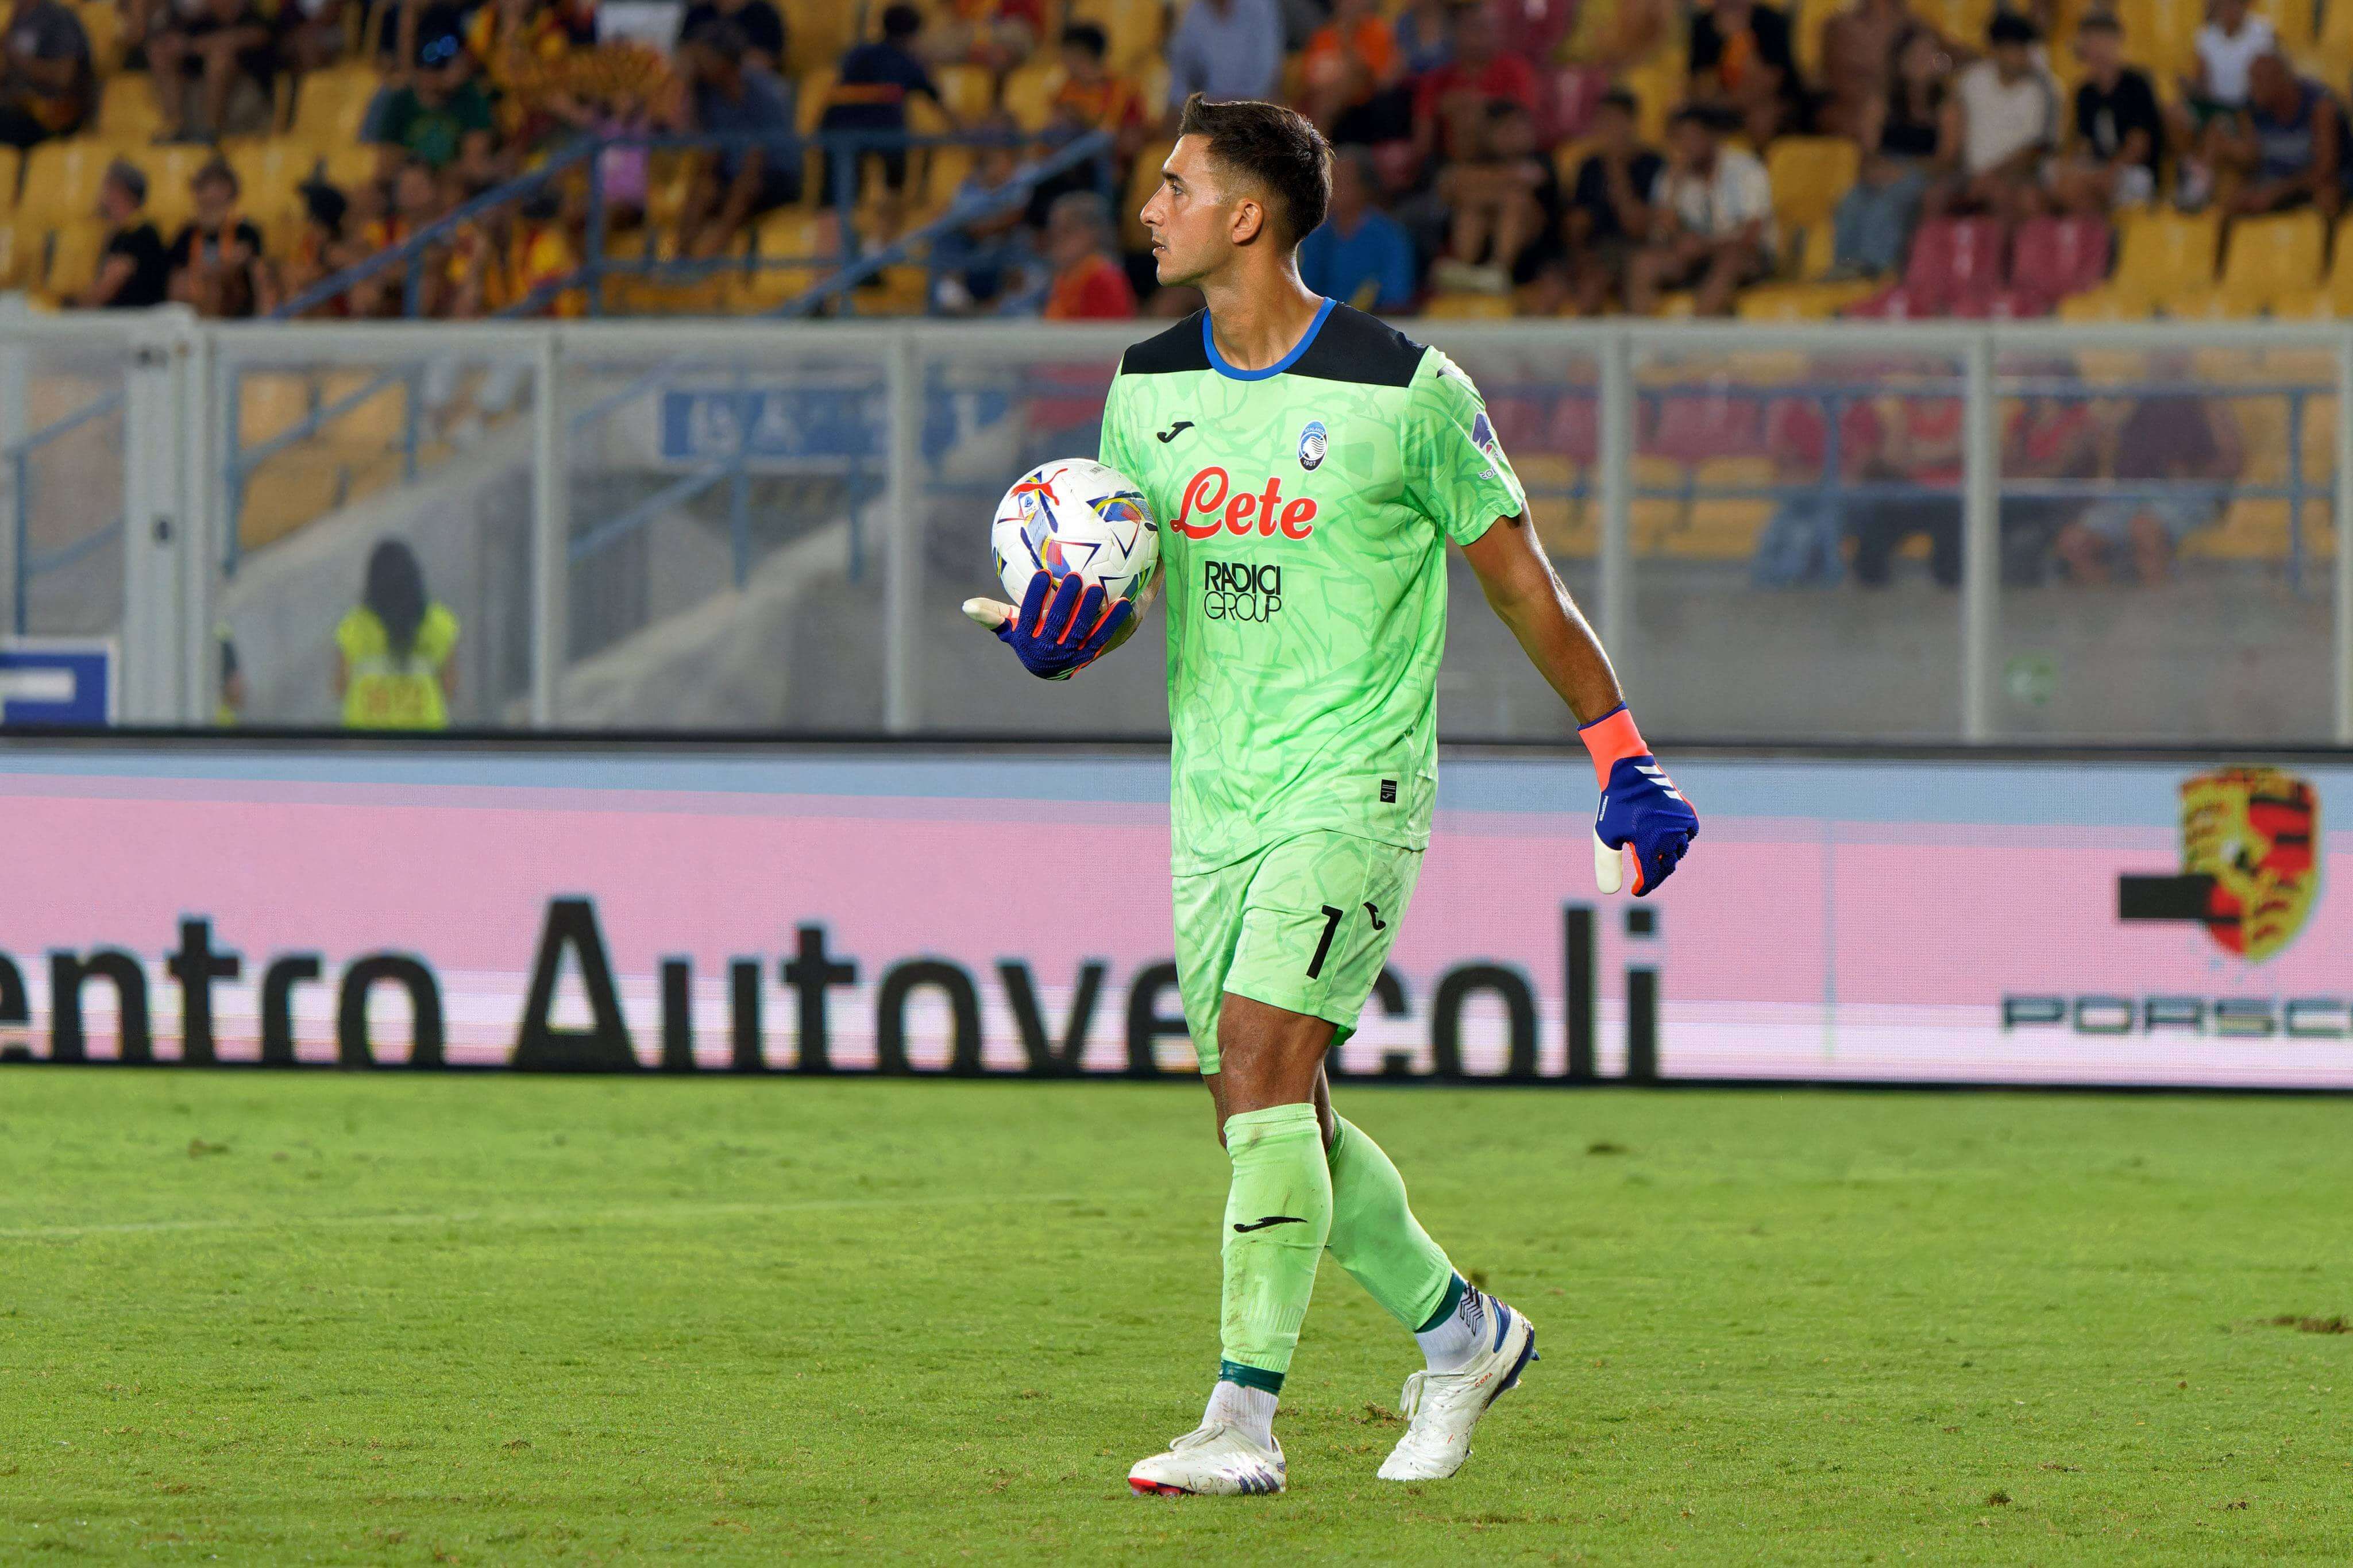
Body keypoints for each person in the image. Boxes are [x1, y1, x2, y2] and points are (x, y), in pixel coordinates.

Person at [962, 92, 1697, 1497]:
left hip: (1353, 784)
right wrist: (1071, 640)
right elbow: (1127, 578)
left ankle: (1241, 1420)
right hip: (1214, 799)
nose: (1150, 211)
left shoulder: (1406, 389)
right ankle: (1463, 1333)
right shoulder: (1145, 386)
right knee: (1266, 1110)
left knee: (1259, 1073)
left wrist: (1623, 757)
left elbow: (1522, 583)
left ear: (1247, 214)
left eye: (1175, 187)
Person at [2055, 361, 2243, 584]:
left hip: (2184, 493)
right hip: (2128, 494)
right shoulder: (2133, 396)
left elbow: (2232, 460)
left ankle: (2159, 610)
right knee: (2074, 543)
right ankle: (2109, 609)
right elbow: (2096, 437)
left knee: (2146, 530)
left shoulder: (2206, 398)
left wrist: (2193, 477)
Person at [1626, 104, 1775, 316]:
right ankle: (1640, 343)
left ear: (1711, 137)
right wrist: (1673, 191)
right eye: (1679, 139)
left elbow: (1752, 235)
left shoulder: (1745, 169)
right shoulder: (1671, 176)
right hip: (1695, 259)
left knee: (1729, 260)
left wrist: (1704, 246)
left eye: (1692, 138)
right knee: (1643, 263)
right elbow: (1658, 237)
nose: (1685, 146)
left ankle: (1695, 338)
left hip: (1747, 257)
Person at [819, 3, 950, 241]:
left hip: (837, 130)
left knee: (838, 199)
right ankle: (877, 247)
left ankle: (848, 256)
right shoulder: (907, 61)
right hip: (874, 137)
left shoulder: (858, 53)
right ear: (911, 36)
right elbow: (941, 105)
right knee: (891, 186)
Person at [1830, 28, 1954, 276]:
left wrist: (1909, 170)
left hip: (1924, 172)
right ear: (1901, 60)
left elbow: (1948, 158)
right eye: (1916, 54)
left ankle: (1875, 269)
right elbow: (1868, 150)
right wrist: (1877, 169)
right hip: (1885, 168)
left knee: (1889, 204)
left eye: (1928, 54)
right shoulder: (1882, 100)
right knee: (1852, 202)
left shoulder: (1947, 104)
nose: (1923, 60)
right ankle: (1844, 268)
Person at [680, 20, 799, 259]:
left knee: (747, 181)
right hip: (733, 174)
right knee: (703, 184)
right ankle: (681, 258)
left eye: (704, 55)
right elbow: (702, 146)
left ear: (724, 58)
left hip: (776, 178)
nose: (698, 62)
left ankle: (711, 255)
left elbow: (759, 157)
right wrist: (689, 86)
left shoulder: (762, 90)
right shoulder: (707, 93)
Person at [1930, 11, 2057, 222]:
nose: (2021, 56)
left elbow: (2036, 150)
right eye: (2015, 49)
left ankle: (2003, 255)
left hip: (2016, 177)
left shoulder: (2042, 91)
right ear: (1997, 50)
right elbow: (1953, 128)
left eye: (2024, 49)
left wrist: (1993, 177)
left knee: (2008, 198)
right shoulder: (1972, 82)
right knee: (1934, 196)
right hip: (1968, 174)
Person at [1430, 99, 1564, 300]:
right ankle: (1466, 268)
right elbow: (1450, 186)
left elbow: (1530, 178)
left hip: (1535, 250)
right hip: (1485, 242)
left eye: (1517, 128)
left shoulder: (1543, 159)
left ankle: (1500, 268)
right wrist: (1489, 188)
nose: (1511, 136)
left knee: (1514, 200)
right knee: (1472, 205)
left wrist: (1482, 184)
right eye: (1503, 130)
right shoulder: (1481, 159)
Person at [335, 539, 459, 730]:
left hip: (365, 746)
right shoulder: (439, 624)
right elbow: (449, 688)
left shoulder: (353, 626)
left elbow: (340, 688)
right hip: (425, 744)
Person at [2048, 12, 2159, 216]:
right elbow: (2086, 143)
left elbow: (2139, 145)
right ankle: (2095, 237)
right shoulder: (2085, 93)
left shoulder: (2136, 85)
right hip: (2099, 171)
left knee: (2097, 186)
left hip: (2132, 172)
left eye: (2102, 39)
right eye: (2091, 40)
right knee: (2060, 179)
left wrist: (2110, 170)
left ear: (2116, 42)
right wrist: (2075, 166)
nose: (2096, 48)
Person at [1565, 87, 1664, 314]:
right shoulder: (1590, 166)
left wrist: (1616, 169)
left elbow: (1638, 227)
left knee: (1626, 274)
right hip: (1598, 250)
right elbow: (1575, 227)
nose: (1606, 129)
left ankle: (1639, 347)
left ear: (1632, 123)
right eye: (1602, 121)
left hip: (1640, 248)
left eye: (1613, 121)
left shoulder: (1654, 165)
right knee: (1583, 283)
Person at [2218, 52, 2350, 219]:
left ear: (2280, 80)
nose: (2252, 88)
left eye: (2258, 81)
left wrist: (2278, 192)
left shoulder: (2321, 108)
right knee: (2233, 199)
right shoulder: (2251, 109)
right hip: (2274, 184)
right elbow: (2251, 160)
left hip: (2309, 185)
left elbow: (2324, 171)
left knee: (2328, 197)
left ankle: (2327, 243)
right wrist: (2229, 149)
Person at [2171, 0, 2274, 208]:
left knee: (2217, 129)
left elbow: (2268, 78)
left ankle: (2198, 187)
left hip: (2247, 107)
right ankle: (2189, 164)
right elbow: (2202, 84)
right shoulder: (2207, 36)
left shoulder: (2263, 33)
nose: (2230, 9)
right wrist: (2190, 88)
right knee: (2174, 112)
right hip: (2214, 104)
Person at [1297, 145, 1415, 312]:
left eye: (1340, 180)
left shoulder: (1389, 237)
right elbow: (1304, 291)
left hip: (1375, 327)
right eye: (1329, 180)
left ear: (1364, 187)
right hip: (1323, 328)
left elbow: (1396, 297)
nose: (1332, 188)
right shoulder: (1317, 236)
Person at [369, 32, 499, 177]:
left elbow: (475, 165)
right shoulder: (400, 100)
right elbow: (386, 165)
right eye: (428, 69)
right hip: (409, 183)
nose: (433, 76)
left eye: (442, 68)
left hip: (454, 185)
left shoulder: (470, 97)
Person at [148, 0, 276, 141]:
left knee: (220, 59)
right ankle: (174, 127)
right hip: (195, 103)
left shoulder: (252, 19)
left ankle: (210, 131)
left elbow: (250, 37)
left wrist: (190, 46)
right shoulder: (199, 21)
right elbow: (167, 43)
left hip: (247, 102)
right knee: (160, 54)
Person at [1687, 0, 1801, 149]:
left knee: (1761, 119)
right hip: (1723, 100)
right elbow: (1699, 81)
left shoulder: (1771, 21)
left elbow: (1775, 79)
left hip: (1767, 100)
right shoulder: (1702, 24)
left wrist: (1738, 37)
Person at [167, 157, 272, 318]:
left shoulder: (246, 232)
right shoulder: (187, 235)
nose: (210, 195)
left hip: (237, 314)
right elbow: (177, 283)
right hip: (196, 312)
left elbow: (260, 280)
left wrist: (265, 320)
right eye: (203, 188)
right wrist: (220, 267)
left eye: (219, 188)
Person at [75, 160, 171, 309]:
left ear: (120, 191)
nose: (100, 194)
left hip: (138, 322)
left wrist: (68, 312)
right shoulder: (121, 233)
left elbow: (106, 288)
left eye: (107, 186)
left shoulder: (140, 232)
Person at [1165, 0, 1282, 121]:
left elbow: (1265, 85)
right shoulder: (1193, 13)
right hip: (1208, 118)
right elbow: (1179, 88)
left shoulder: (1259, 7)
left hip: (1254, 118)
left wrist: (1214, 107)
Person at [0, 0, 90, 149]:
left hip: (53, 116)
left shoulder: (59, 18)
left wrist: (18, 59)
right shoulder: (16, 19)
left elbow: (64, 77)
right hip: (19, 110)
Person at [1039, 188, 1135, 319]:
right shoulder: (1063, 276)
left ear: (1092, 234)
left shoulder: (1103, 278)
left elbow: (1108, 334)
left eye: (1067, 230)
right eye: (1054, 230)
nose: (1057, 239)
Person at [677, 0, 786, 74]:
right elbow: (684, 58)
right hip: (701, 93)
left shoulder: (763, 14)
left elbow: (762, 65)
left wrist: (715, 63)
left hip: (748, 96)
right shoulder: (697, 14)